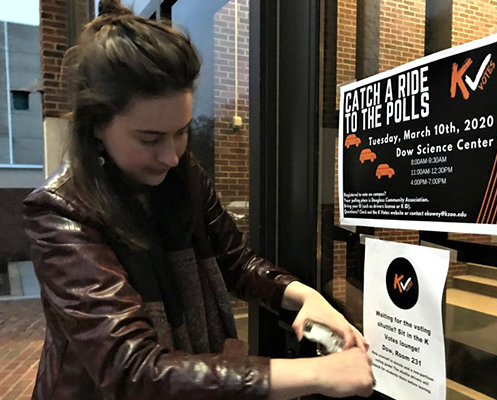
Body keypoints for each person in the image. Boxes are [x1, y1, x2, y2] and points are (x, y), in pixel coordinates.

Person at [22, 1, 374, 399]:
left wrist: (305, 296)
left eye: (183, 131)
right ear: (97, 126)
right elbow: (133, 369)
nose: (172, 156)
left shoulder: (184, 176)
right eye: (150, 138)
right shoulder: (59, 212)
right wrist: (318, 374)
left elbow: (236, 262)